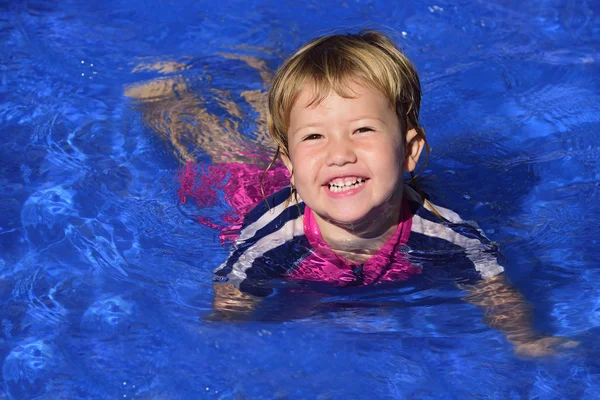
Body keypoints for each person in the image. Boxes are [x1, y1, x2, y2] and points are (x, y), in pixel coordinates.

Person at [205, 30, 577, 357]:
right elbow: (229, 305)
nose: (339, 154)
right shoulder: (276, 237)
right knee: (220, 149)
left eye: (363, 129)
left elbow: (494, 290)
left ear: (410, 150)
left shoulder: (439, 234)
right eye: (315, 136)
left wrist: (527, 340)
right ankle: (176, 99)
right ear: (289, 163)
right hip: (254, 188)